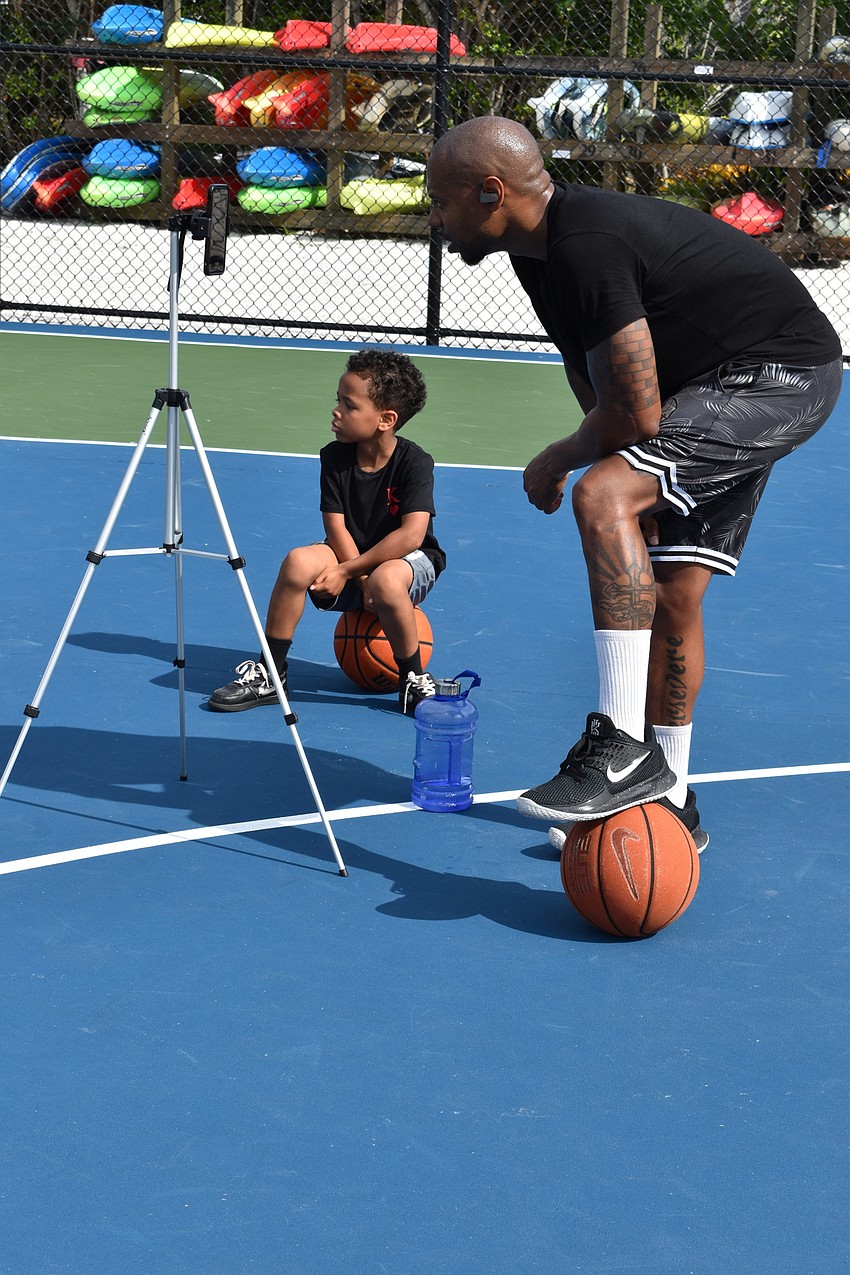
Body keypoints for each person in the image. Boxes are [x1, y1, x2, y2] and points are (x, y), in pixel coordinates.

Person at [426, 115, 843, 850]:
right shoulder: (538, 253)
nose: (434, 218)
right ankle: (671, 799)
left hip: (779, 375)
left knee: (602, 494)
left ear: (491, 192)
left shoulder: (586, 245)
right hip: (712, 384)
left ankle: (618, 748)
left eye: (441, 200)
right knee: (674, 585)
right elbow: (595, 376)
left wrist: (562, 459)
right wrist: (629, 465)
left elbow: (636, 412)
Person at [209, 348, 446, 716]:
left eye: (349, 405)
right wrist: (360, 579)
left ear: (386, 419)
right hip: (352, 557)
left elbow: (411, 536)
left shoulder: (414, 462)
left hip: (408, 562)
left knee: (386, 580)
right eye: (338, 400)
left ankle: (412, 679)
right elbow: (335, 526)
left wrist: (350, 572)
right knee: (298, 561)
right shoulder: (335, 457)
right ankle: (271, 673)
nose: (336, 411)